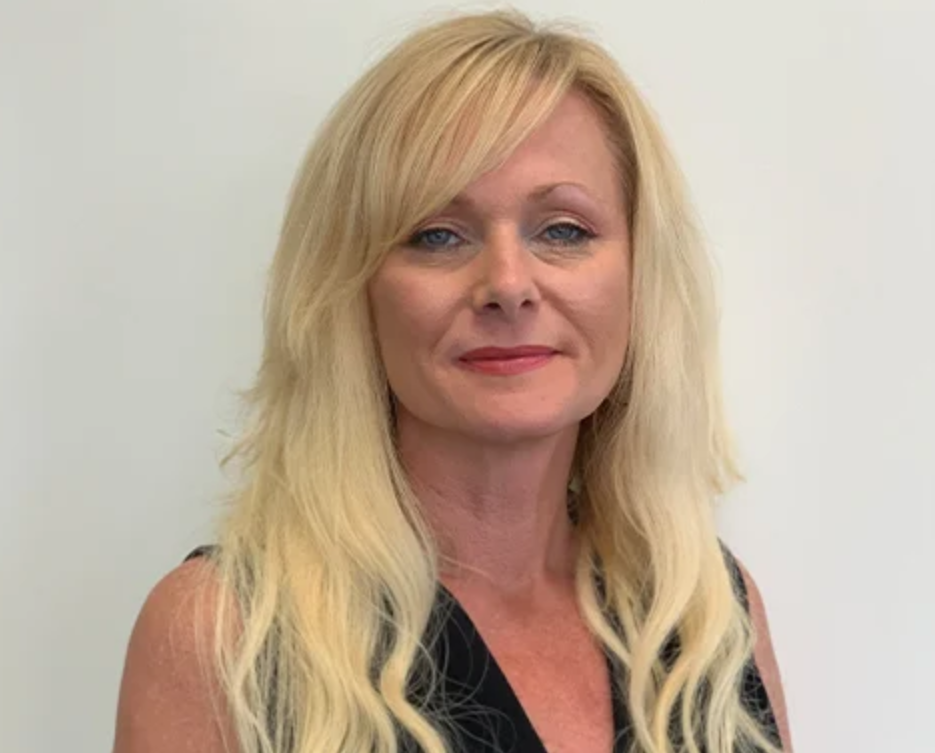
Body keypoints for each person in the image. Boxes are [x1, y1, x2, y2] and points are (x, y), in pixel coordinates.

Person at [113, 9, 791, 753]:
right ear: (353, 292)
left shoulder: (706, 615)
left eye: (563, 229)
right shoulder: (224, 634)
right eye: (437, 234)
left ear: (639, 274)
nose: (508, 285)